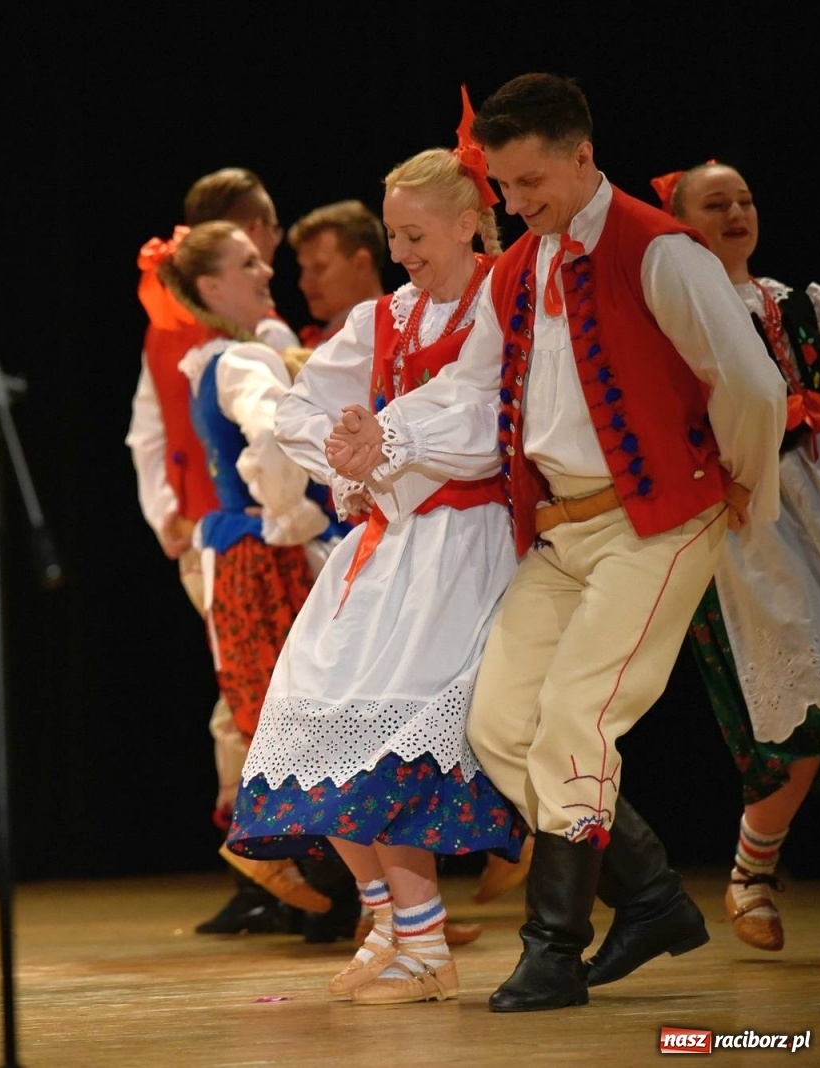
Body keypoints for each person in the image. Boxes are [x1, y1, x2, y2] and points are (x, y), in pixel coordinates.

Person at [325, 73, 787, 1012]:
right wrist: (391, 435)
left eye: (530, 181)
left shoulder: (659, 251)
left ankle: (554, 948)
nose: (516, 201)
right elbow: (469, 389)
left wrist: (743, 481)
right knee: (498, 726)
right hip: (561, 529)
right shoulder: (519, 268)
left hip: (656, 518)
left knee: (577, 715)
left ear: (582, 157)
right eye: (503, 185)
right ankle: (650, 894)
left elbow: (750, 382)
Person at [228, 120, 528, 1006]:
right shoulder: (384, 317)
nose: (401, 254)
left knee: (392, 738)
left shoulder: (500, 301)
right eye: (394, 235)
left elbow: (482, 417)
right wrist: (345, 455)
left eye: (415, 235)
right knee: (309, 713)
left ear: (469, 223)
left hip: (466, 544)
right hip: (390, 542)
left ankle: (425, 945)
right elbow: (298, 408)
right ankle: (389, 924)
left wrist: (384, 440)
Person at [126, 168, 325, 937]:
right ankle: (274, 853)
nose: (269, 263)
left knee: (263, 698)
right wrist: (170, 514)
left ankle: (321, 879)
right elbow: (156, 434)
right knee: (270, 701)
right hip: (245, 539)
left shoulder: (257, 339)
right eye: (252, 251)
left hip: (245, 537)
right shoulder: (228, 349)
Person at [655, 160, 820, 953]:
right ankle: (751, 869)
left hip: (816, 494)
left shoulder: (800, 305)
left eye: (746, 200)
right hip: (752, 516)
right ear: (683, 226)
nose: (737, 213)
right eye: (716, 203)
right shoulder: (678, 319)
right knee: (805, 701)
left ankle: (753, 869)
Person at [286, 200, 386, 346]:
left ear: (361, 264)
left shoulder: (386, 338)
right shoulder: (334, 338)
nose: (303, 284)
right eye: (304, 269)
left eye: (319, 268)